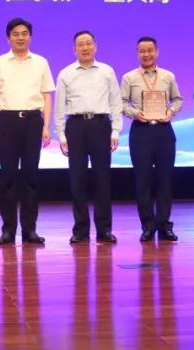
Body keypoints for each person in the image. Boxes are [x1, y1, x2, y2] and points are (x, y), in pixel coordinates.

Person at [0, 17, 54, 246]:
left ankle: (30, 230)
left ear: (30, 37)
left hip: (33, 121)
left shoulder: (41, 62)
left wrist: (46, 126)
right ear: (8, 38)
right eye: (15, 34)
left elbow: (47, 96)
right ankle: (8, 230)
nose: (20, 37)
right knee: (8, 177)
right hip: (7, 121)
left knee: (31, 177)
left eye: (24, 33)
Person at [54, 30, 123, 244]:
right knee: (78, 180)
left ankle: (104, 230)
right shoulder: (66, 73)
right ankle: (80, 230)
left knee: (103, 179)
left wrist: (115, 131)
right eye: (80, 44)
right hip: (75, 127)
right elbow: (59, 107)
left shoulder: (107, 71)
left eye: (88, 43)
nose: (85, 47)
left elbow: (116, 102)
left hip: (101, 125)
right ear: (74, 49)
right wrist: (61, 136)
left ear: (95, 47)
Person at [119, 36, 183, 242]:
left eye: (150, 50)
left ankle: (164, 224)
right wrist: (135, 113)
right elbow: (121, 103)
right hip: (141, 131)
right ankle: (147, 225)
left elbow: (177, 99)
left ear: (157, 52)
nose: (146, 54)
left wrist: (171, 112)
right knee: (143, 180)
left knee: (165, 179)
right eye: (142, 51)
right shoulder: (129, 77)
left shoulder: (168, 76)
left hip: (164, 130)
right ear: (137, 53)